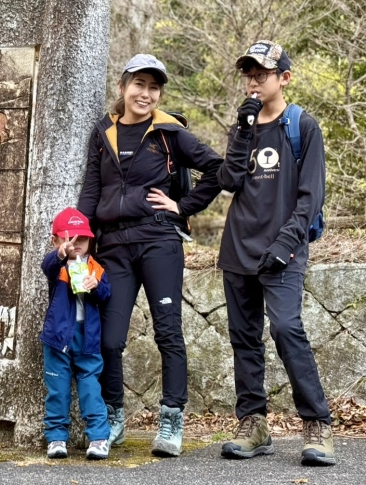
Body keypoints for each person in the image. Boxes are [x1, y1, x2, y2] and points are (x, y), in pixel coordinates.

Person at [77, 54, 223, 457]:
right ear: (123, 87)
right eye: (139, 84)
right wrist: (81, 236)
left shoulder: (169, 133)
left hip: (159, 242)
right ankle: (113, 416)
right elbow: (91, 189)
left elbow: (217, 168)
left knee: (168, 332)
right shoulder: (103, 132)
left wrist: (183, 206)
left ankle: (172, 418)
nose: (146, 94)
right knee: (109, 340)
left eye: (154, 87)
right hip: (113, 248)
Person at [217, 41, 334, 465]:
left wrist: (286, 244)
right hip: (238, 248)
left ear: (284, 78)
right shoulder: (244, 126)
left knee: (286, 328)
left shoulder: (302, 126)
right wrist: (241, 129)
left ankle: (317, 423)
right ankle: (253, 424)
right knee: (244, 338)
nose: (253, 82)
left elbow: (311, 196)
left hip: (283, 251)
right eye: (248, 75)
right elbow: (228, 180)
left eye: (262, 74)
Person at [40, 207, 112, 460]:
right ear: (56, 240)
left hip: (88, 337)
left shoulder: (95, 267)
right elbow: (47, 267)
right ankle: (56, 438)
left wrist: (96, 286)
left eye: (83, 238)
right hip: (57, 336)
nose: (77, 243)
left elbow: (106, 294)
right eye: (70, 238)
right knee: (57, 389)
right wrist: (61, 254)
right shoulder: (57, 266)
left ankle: (99, 437)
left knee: (90, 386)